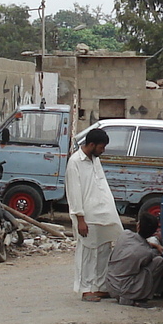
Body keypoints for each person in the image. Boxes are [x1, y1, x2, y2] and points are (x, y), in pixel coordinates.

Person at [66, 127, 119, 301]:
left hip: (103, 213)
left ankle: (100, 286)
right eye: (101, 147)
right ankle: (86, 289)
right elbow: (74, 192)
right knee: (88, 252)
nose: (103, 151)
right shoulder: (75, 162)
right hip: (87, 215)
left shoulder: (95, 160)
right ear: (91, 144)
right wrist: (80, 218)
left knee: (104, 250)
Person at [107, 211, 163, 306]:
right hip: (125, 289)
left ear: (138, 226)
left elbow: (137, 244)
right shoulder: (147, 253)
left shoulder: (125, 235)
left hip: (111, 285)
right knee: (159, 261)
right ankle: (140, 297)